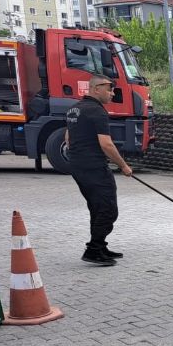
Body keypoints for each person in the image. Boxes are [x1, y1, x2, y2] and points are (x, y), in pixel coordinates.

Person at [65, 74, 133, 266]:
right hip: (94, 167)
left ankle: (101, 245)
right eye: (109, 89)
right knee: (108, 209)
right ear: (96, 89)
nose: (112, 93)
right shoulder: (97, 111)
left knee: (96, 207)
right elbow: (106, 144)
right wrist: (124, 166)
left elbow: (68, 137)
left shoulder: (74, 109)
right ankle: (93, 250)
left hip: (78, 166)